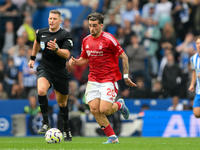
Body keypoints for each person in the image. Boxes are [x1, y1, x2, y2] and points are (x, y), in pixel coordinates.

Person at [69, 12, 137, 144]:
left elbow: (124, 56)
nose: (92, 28)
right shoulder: (86, 40)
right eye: (90, 26)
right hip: (93, 80)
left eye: (95, 26)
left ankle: (119, 104)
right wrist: (75, 61)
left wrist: (126, 76)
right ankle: (112, 137)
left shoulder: (109, 39)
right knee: (94, 110)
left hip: (108, 79)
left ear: (101, 25)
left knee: (105, 110)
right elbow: (85, 59)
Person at [27, 10, 73, 141]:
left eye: (54, 19)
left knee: (62, 103)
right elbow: (36, 42)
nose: (51, 21)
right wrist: (32, 58)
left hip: (60, 72)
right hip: (45, 69)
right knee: (41, 90)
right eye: (50, 18)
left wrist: (56, 49)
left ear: (60, 21)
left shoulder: (65, 35)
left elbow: (67, 54)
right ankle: (45, 123)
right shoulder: (41, 32)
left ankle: (66, 128)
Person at [189, 36, 200, 118]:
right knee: (196, 113)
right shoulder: (193, 58)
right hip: (199, 90)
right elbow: (194, 71)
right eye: (197, 43)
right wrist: (192, 84)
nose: (199, 45)